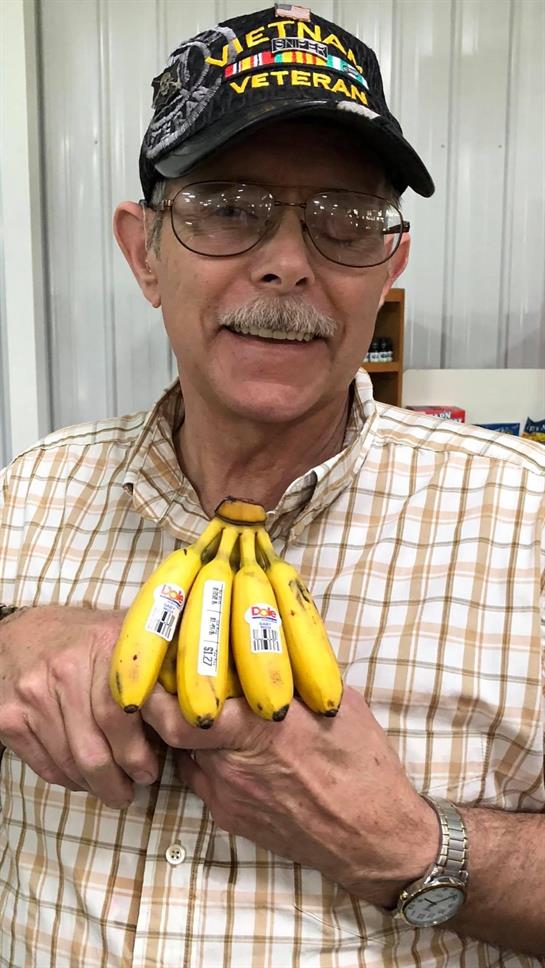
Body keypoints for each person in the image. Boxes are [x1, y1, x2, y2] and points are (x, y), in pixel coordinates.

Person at [0, 4, 544, 966]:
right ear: (144, 251)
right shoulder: (30, 492)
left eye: (345, 220)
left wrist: (412, 845)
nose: (289, 262)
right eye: (227, 207)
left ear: (389, 267)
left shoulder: (529, 522)